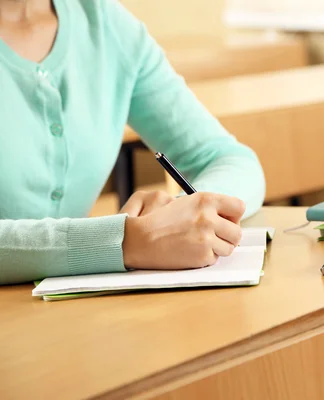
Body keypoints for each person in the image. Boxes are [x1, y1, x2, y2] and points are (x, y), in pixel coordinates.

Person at [0, 0, 266, 285]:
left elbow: (230, 159)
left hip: (67, 315)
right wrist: (123, 241)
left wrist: (175, 218)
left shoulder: (104, 22)